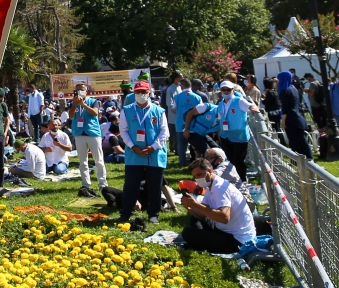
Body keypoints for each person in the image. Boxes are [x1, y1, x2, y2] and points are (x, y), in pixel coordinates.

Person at [114, 81, 168, 228]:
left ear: (149, 93)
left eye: (144, 92)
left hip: (154, 154)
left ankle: (153, 214)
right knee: (131, 185)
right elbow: (123, 130)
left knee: (155, 186)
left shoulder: (159, 111)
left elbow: (164, 132)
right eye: (138, 92)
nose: (141, 95)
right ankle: (125, 213)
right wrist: (133, 147)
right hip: (134, 153)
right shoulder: (127, 110)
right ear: (134, 93)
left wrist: (153, 147)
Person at [178, 158, 256, 254]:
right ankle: (201, 240)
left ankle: (199, 242)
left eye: (199, 175)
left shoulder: (220, 188)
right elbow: (202, 214)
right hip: (225, 229)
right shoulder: (210, 185)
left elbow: (224, 217)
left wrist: (195, 205)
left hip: (237, 241)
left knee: (188, 233)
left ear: (209, 171)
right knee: (195, 218)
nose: (197, 179)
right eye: (195, 177)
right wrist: (189, 207)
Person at [214, 81, 259, 182]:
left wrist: (254, 109)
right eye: (223, 90)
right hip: (225, 136)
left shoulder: (239, 101)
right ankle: (234, 179)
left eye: (228, 90)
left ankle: (243, 180)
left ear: (232, 90)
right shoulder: (221, 103)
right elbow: (219, 117)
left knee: (238, 160)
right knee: (231, 160)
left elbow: (250, 105)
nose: (226, 92)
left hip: (239, 136)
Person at [68, 83, 107, 197]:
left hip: (93, 133)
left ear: (86, 91)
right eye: (77, 90)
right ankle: (86, 183)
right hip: (79, 133)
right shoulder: (72, 102)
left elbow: (95, 112)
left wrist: (83, 104)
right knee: (82, 161)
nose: (79, 91)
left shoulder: (93, 101)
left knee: (99, 160)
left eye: (82, 90)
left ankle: (102, 183)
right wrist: (75, 104)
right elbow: (71, 116)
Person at [276, 71, 311, 157]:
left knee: (294, 141)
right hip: (298, 117)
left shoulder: (284, 91)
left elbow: (285, 107)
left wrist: (283, 121)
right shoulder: (293, 89)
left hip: (291, 119)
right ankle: (308, 158)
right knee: (301, 140)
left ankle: (297, 160)